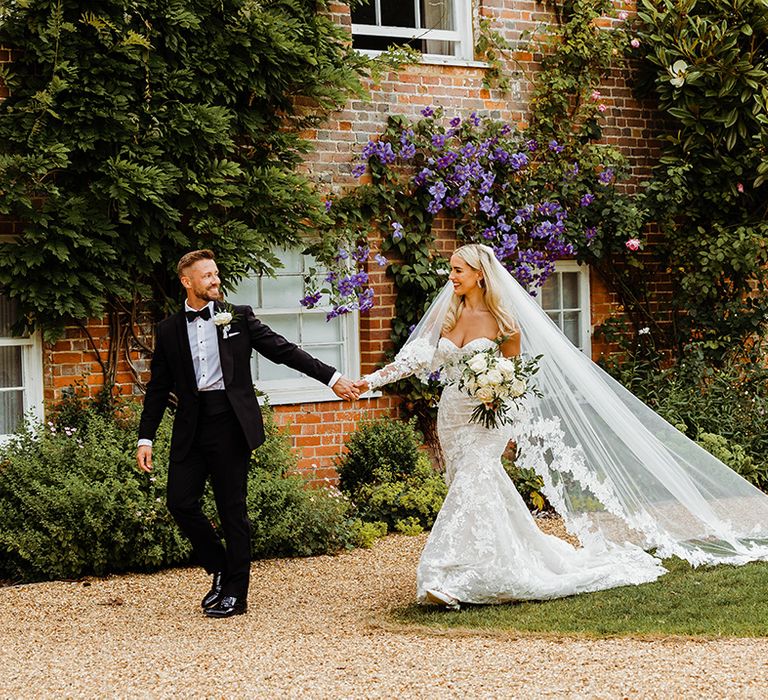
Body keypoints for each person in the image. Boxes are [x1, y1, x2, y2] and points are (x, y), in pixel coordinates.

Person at [355, 243, 768, 609]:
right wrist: (369, 381)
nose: (451, 276)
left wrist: (499, 399)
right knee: (475, 485)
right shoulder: (447, 314)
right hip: (453, 415)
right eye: (451, 269)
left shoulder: (503, 321)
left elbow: (514, 373)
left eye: (458, 270)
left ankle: (441, 573)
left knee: (474, 481)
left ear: (479, 274)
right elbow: (414, 361)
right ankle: (500, 558)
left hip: (489, 417)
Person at [136, 249, 359, 618]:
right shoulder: (169, 329)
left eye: (216, 274)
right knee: (180, 502)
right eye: (206, 276)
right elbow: (158, 388)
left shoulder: (237, 317)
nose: (214, 281)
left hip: (230, 423)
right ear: (186, 281)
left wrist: (332, 378)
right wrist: (146, 438)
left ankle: (236, 593)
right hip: (191, 426)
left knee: (231, 510)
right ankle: (221, 567)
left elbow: (284, 351)